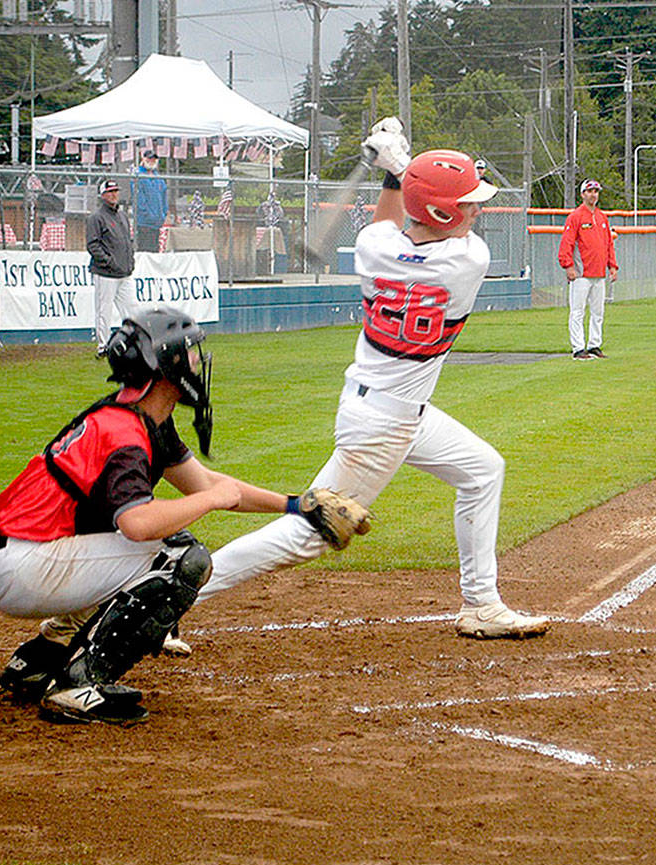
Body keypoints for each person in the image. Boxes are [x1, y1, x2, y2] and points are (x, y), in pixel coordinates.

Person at [198, 118, 550, 641]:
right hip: (383, 424)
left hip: (389, 407)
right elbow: (413, 211)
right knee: (310, 532)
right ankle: (169, 593)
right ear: (440, 211)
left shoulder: (372, 247)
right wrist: (400, 166)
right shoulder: (468, 259)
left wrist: (393, 170)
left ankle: (481, 603)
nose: (478, 211)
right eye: (469, 203)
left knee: (482, 470)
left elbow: (395, 220)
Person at [0, 307, 369, 725]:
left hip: (19, 556)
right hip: (24, 566)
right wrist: (214, 500)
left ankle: (38, 661)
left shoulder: (139, 418)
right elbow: (141, 522)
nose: (197, 361)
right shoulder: (125, 433)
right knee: (179, 558)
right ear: (165, 365)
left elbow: (206, 483)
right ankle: (79, 684)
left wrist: (296, 504)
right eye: (189, 352)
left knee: (153, 552)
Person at [558, 179, 618, 360]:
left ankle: (594, 345)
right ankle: (578, 348)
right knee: (577, 311)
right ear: (583, 194)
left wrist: (612, 266)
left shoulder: (602, 217)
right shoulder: (575, 217)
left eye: (596, 191)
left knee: (598, 312)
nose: (593, 194)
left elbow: (608, 244)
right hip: (581, 274)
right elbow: (566, 243)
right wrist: (568, 265)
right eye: (590, 191)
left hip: (599, 273)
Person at [87, 179, 135, 355]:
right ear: (103, 195)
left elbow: (127, 241)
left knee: (131, 309)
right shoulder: (96, 217)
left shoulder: (122, 216)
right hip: (105, 273)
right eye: (110, 192)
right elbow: (93, 245)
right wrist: (108, 262)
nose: (114, 194)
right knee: (104, 311)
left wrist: (130, 260)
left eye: (116, 191)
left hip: (124, 272)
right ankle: (103, 346)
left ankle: (134, 342)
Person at [132, 150, 169, 253]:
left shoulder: (158, 178)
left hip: (157, 222)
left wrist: (164, 214)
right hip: (144, 223)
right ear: (143, 159)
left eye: (153, 159)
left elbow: (164, 196)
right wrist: (147, 214)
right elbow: (138, 200)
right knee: (144, 252)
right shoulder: (138, 176)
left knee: (154, 251)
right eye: (149, 158)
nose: (151, 161)